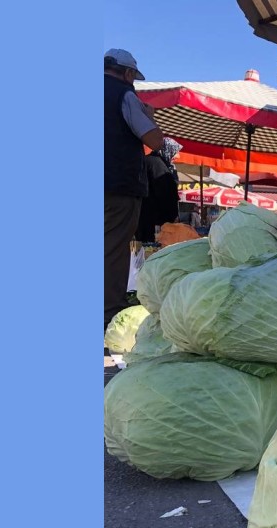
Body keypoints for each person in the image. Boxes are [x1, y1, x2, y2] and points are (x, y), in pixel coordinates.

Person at [105, 48, 164, 332]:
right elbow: (155, 141)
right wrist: (149, 116)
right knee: (113, 249)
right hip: (117, 184)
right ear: (128, 73)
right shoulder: (124, 95)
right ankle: (107, 313)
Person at [136, 137, 183, 243]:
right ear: (167, 149)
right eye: (175, 152)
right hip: (154, 221)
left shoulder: (152, 162)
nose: (178, 156)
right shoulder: (157, 164)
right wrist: (172, 216)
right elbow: (165, 193)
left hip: (145, 218)